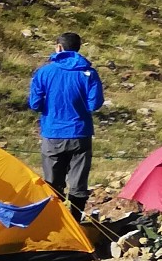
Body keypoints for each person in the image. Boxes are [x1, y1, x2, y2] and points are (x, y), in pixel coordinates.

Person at [27, 32, 105, 212]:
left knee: (52, 183)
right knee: (78, 183)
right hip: (80, 133)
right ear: (78, 48)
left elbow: (35, 104)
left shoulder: (44, 72)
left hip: (53, 133)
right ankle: (75, 221)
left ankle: (56, 220)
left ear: (59, 47)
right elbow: (94, 104)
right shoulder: (89, 73)